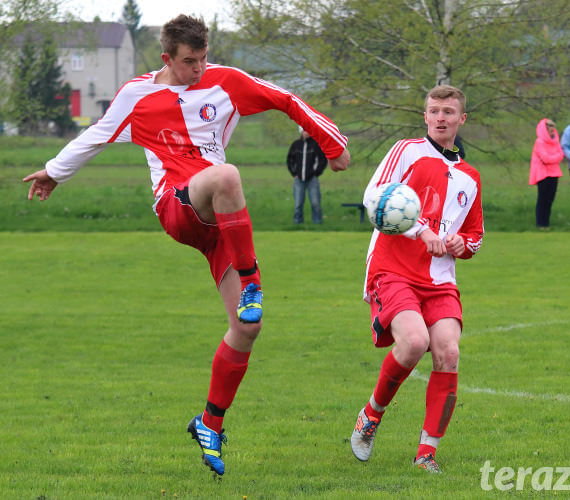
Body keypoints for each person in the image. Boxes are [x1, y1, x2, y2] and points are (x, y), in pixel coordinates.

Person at [23, 14, 350, 477]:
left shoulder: (226, 82)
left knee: (246, 328)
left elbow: (287, 99)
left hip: (223, 228)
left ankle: (210, 423)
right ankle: (252, 281)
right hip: (178, 206)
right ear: (167, 58)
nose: (198, 69)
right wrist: (54, 172)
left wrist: (333, 145)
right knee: (228, 174)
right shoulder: (138, 94)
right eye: (188, 62)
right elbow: (97, 134)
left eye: (203, 59)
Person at [349, 85, 483, 474]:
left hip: (440, 279)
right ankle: (371, 416)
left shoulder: (470, 177)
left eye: (448, 111)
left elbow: (476, 235)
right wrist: (420, 231)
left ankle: (426, 455)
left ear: (462, 119)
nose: (440, 117)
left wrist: (462, 244)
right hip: (393, 268)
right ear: (425, 116)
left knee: (449, 353)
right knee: (414, 342)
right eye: (434, 111)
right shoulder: (406, 151)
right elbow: (375, 198)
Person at [287, 126, 328, 224]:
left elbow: (322, 160)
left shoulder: (316, 145)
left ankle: (317, 222)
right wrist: (294, 173)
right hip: (298, 179)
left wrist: (316, 173)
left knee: (315, 203)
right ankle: (297, 222)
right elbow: (290, 160)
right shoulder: (296, 145)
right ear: (301, 132)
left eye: (308, 130)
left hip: (312, 180)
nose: (306, 133)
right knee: (298, 203)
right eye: (304, 130)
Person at [529, 118, 564, 229]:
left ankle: (546, 223)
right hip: (543, 174)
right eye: (549, 126)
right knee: (542, 199)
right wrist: (555, 158)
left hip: (554, 173)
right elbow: (545, 158)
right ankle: (541, 223)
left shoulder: (555, 140)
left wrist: (554, 158)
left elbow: (561, 154)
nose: (552, 129)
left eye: (553, 126)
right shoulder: (539, 142)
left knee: (550, 199)